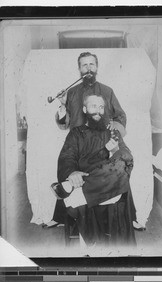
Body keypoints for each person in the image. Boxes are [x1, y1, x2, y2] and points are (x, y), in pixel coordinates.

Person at [46, 51, 127, 227]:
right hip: (77, 143)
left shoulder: (107, 91)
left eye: (91, 64)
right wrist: (62, 103)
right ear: (79, 69)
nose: (88, 68)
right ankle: (61, 217)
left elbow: (120, 115)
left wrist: (114, 129)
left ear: (96, 67)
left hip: (101, 144)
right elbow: (64, 124)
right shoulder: (72, 92)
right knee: (67, 165)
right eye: (84, 65)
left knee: (117, 167)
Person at [51, 94, 136, 245]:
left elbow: (127, 157)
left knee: (122, 164)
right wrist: (71, 173)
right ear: (84, 109)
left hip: (96, 183)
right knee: (117, 174)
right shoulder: (76, 133)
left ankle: (75, 189)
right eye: (93, 106)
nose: (98, 111)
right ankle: (83, 186)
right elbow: (66, 157)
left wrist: (115, 150)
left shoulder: (112, 132)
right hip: (93, 183)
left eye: (101, 107)